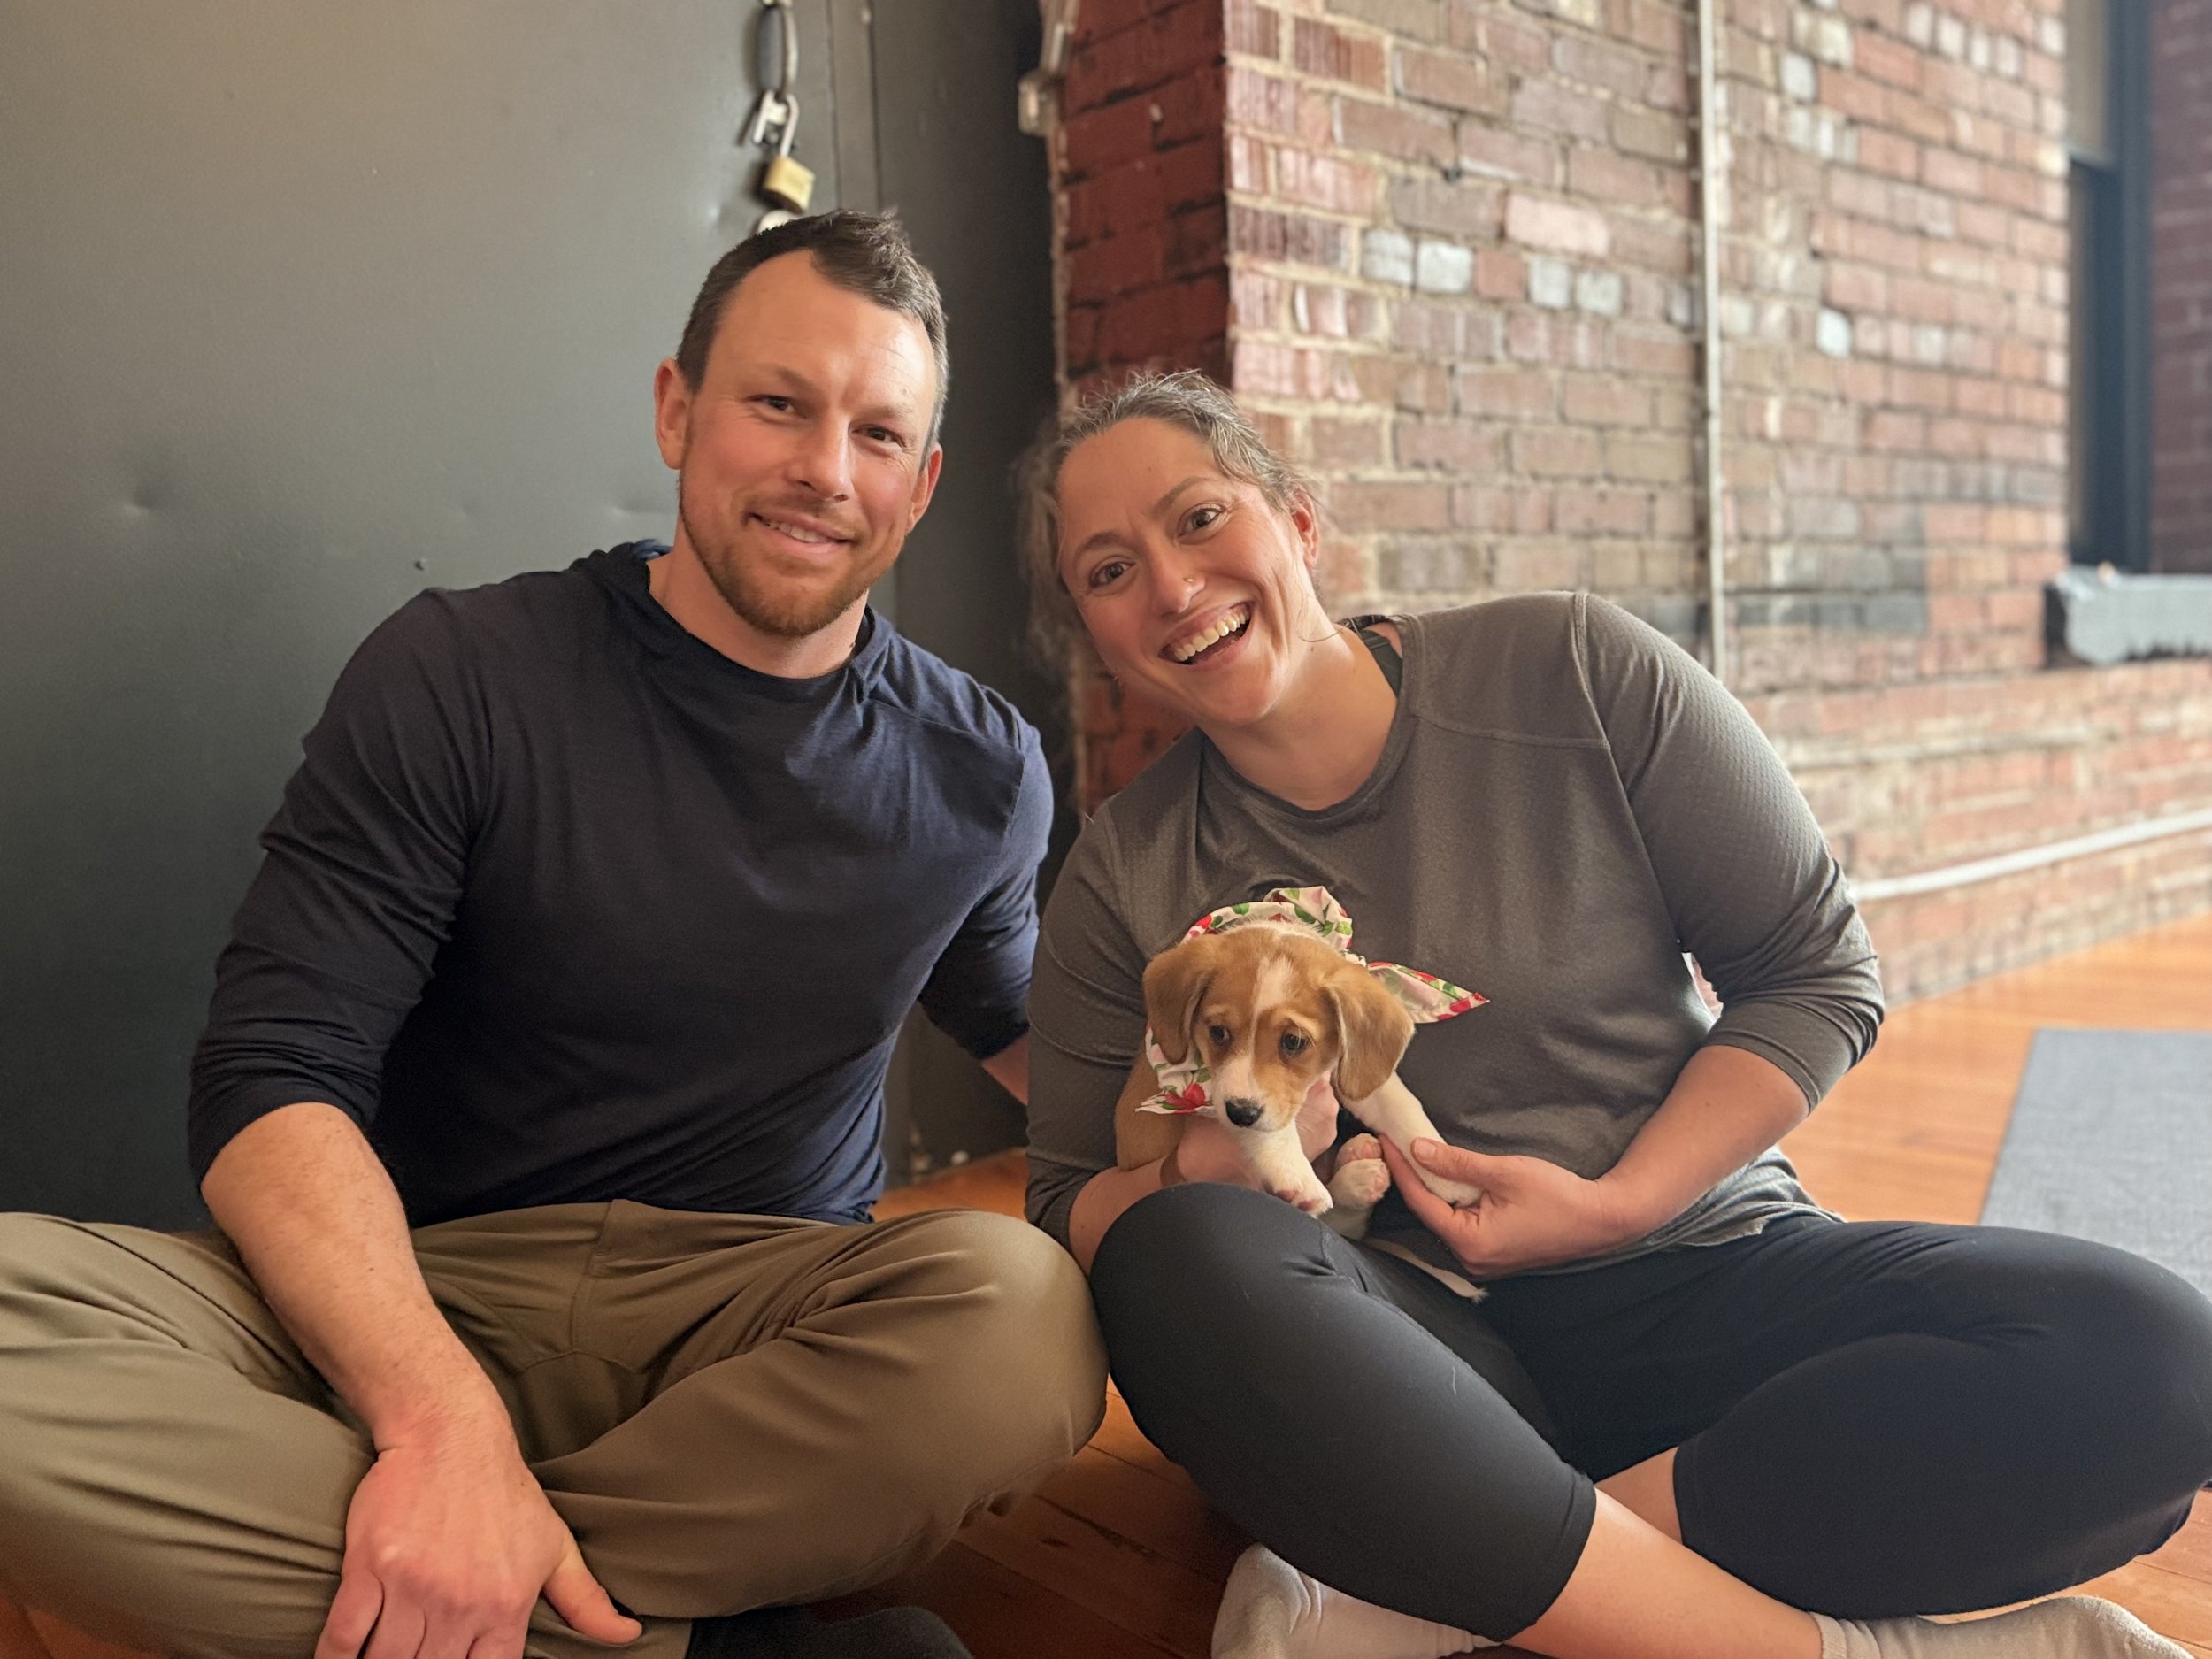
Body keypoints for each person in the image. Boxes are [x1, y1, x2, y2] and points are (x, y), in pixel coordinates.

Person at [0, 211, 1106, 1659]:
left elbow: (1022, 1019)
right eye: (778, 404)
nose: (824, 471)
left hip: (752, 1327)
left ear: (923, 482)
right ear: (676, 409)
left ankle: (465, 1595)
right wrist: (439, 1417)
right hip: (420, 1282)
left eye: (877, 434)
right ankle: (688, 1632)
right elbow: (274, 1079)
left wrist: (1257, 1113)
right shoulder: (462, 671)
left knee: (1025, 1314)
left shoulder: (983, 768)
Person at [1019, 369, 2212, 1659]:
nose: (1174, 587)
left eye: (1199, 519)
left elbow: (1814, 971)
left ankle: (1457, 1607)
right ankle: (1863, 1651)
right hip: (1387, 1356)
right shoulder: (1124, 870)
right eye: (1109, 569)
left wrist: (1624, 1201)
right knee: (1173, 1258)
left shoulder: (1572, 667)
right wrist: (1221, 1160)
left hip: (1705, 1272)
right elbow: (1067, 1204)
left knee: (2157, 1366)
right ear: (1092, 626)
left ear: (1297, 519)